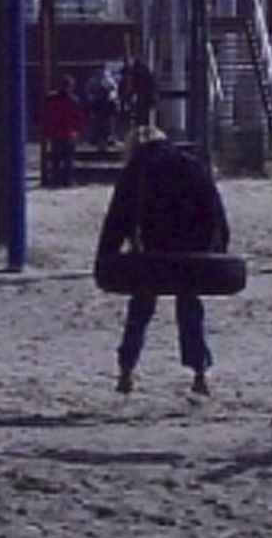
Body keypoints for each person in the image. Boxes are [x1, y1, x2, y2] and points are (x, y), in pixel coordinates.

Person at [94, 126, 228, 396]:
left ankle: (126, 370)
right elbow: (214, 210)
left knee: (140, 309)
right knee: (189, 308)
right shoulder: (193, 165)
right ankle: (200, 373)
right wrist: (217, 250)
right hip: (190, 252)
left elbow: (118, 218)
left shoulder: (136, 170)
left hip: (151, 252)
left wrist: (105, 257)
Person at [39, 76, 85, 188]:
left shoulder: (51, 99)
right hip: (67, 132)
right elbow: (78, 118)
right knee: (67, 158)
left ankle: (57, 180)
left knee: (58, 158)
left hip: (58, 132)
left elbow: (46, 116)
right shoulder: (73, 101)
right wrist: (78, 131)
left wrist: (46, 130)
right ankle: (67, 180)